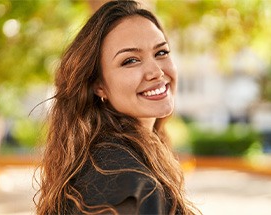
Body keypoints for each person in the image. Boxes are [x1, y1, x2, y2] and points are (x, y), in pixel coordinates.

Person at [35, 0, 200, 214]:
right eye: (130, 60)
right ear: (99, 85)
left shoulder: (111, 162)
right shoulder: (129, 185)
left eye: (161, 53)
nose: (156, 72)